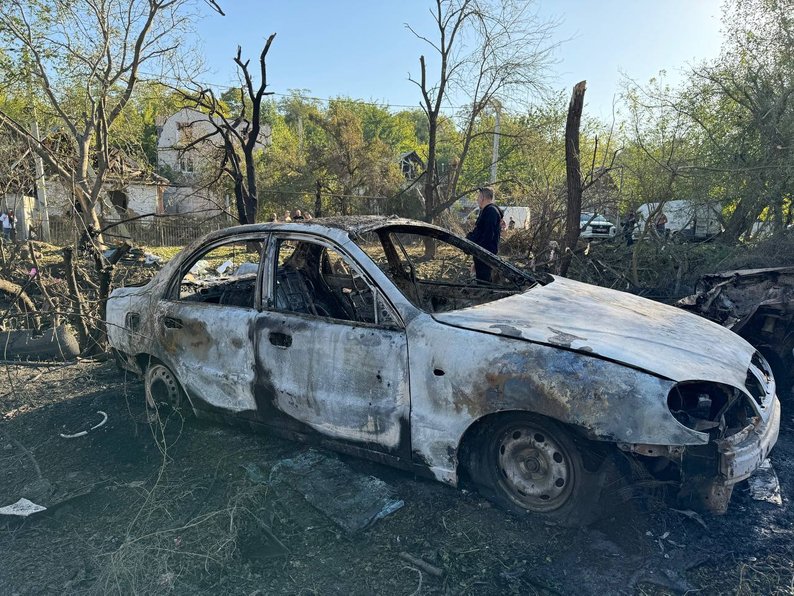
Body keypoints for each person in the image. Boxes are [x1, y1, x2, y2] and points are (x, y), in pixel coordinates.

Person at [466, 186, 502, 282]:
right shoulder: (488, 211)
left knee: (484, 282)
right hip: (482, 254)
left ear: (483, 198)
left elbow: (488, 235)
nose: (477, 200)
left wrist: (480, 253)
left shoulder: (490, 211)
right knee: (481, 280)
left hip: (485, 255)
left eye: (478, 197)